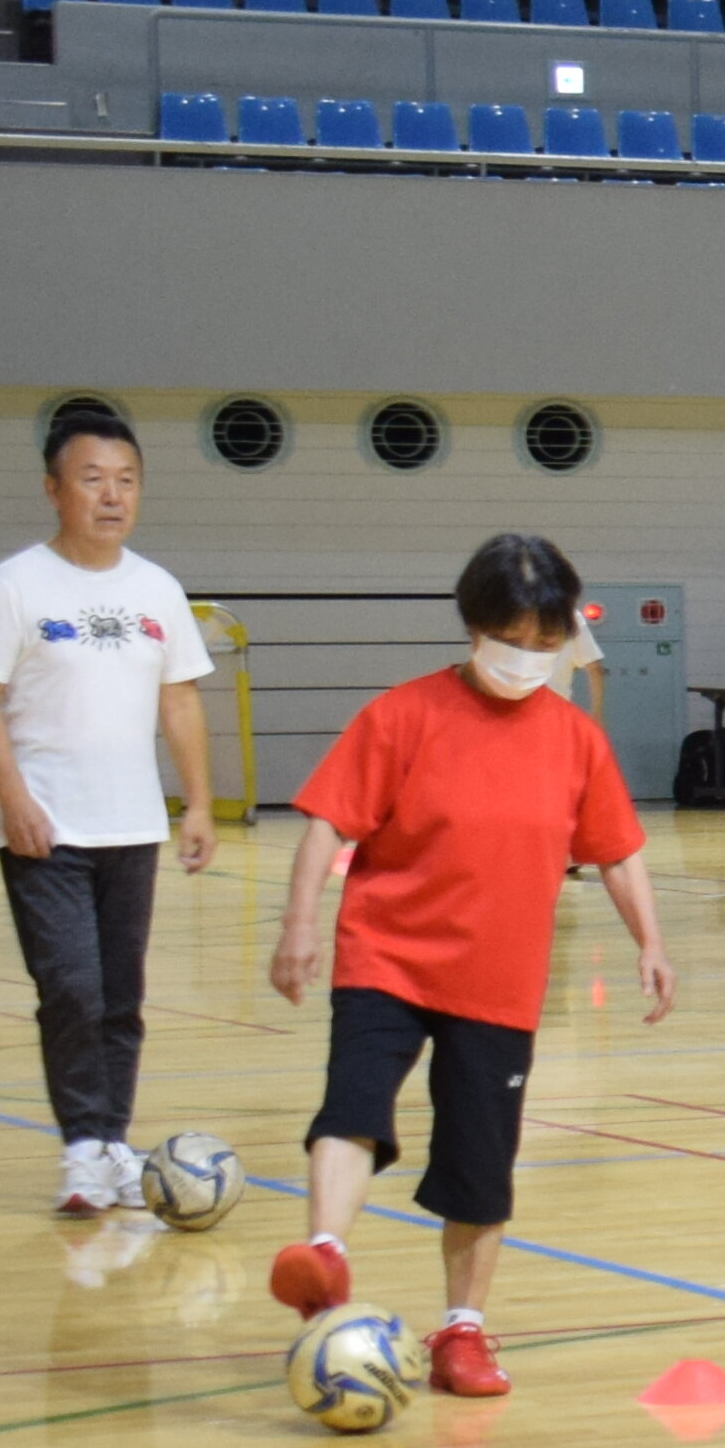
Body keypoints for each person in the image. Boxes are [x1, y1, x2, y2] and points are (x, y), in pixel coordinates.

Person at [260, 530, 676, 1399]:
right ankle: (324, 1255)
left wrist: (651, 941)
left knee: (481, 1164)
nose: (524, 658)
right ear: (472, 627)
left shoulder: (575, 740)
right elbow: (328, 822)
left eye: (543, 643)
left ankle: (463, 1332)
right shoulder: (402, 715)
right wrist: (298, 926)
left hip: (500, 978)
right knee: (354, 1104)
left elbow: (615, 850)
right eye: (507, 640)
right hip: (386, 954)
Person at [0, 398, 223, 1217]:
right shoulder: (15, 585)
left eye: (126, 480)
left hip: (131, 825)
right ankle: (82, 1148)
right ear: (54, 489)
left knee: (120, 997)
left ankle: (111, 1142)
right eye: (92, 479)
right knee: (70, 987)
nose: (112, 496)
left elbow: (179, 701)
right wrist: (13, 798)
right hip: (46, 827)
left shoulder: (158, 589)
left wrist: (198, 804)